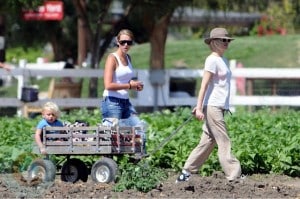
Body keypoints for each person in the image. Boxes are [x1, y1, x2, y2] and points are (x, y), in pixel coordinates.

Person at [176, 27, 241, 183]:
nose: (226, 43)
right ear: (213, 42)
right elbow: (204, 85)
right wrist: (199, 107)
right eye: (222, 40)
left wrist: (201, 105)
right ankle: (234, 175)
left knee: (207, 142)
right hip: (213, 106)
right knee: (223, 140)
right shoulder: (211, 60)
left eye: (227, 40)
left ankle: (186, 173)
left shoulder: (222, 60)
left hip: (216, 106)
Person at [101, 29, 146, 153]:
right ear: (117, 41)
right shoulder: (112, 58)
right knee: (112, 139)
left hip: (125, 102)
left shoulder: (128, 58)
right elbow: (108, 85)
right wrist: (129, 86)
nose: (126, 45)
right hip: (112, 102)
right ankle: (107, 167)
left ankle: (138, 162)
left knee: (139, 129)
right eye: (123, 42)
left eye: (129, 42)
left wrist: (135, 85)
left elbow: (125, 80)